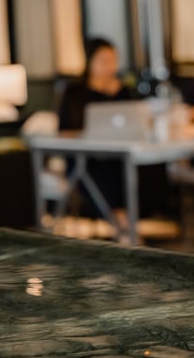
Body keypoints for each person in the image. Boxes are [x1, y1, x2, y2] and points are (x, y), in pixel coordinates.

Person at [57, 37, 135, 231]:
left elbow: (133, 122)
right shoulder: (74, 93)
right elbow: (64, 131)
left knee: (132, 167)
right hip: (84, 156)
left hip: (115, 153)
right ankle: (122, 223)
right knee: (100, 171)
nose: (110, 66)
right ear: (90, 61)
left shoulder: (122, 91)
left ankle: (127, 220)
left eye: (113, 60)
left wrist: (116, 94)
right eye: (104, 60)